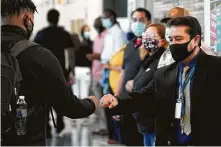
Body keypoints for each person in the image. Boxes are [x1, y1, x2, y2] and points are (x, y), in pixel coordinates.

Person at [100, 16, 221, 146]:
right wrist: (117, 101)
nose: (173, 44)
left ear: (195, 40)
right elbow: (143, 97)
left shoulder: (215, 68)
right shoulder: (164, 73)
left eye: (179, 39)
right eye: (171, 39)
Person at [1, 0, 98, 145]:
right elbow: (68, 106)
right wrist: (92, 103)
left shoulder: (41, 35)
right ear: (28, 18)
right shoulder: (40, 55)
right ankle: (58, 126)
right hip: (27, 140)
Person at [113, 8, 152, 146]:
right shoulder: (129, 45)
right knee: (128, 138)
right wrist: (116, 98)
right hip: (125, 100)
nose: (137, 23)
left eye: (141, 20)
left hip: (140, 102)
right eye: (134, 20)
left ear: (149, 22)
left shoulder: (151, 47)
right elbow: (123, 72)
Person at [34, 8, 75, 137]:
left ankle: (46, 127)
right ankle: (60, 121)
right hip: (61, 70)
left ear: (47, 19)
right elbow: (71, 54)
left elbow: (34, 53)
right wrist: (71, 70)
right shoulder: (64, 34)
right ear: (58, 18)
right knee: (60, 96)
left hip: (44, 71)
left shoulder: (41, 34)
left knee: (44, 98)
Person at [131, 24, 168, 146]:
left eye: (152, 35)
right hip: (144, 122)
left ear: (162, 41)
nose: (147, 38)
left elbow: (152, 88)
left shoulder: (163, 60)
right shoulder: (148, 58)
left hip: (154, 122)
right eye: (145, 35)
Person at [86, 17, 107, 135]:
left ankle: (105, 127)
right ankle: (102, 125)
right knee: (97, 103)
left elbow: (106, 55)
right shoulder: (97, 38)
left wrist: (96, 56)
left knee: (102, 102)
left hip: (103, 74)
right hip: (95, 73)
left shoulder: (107, 36)